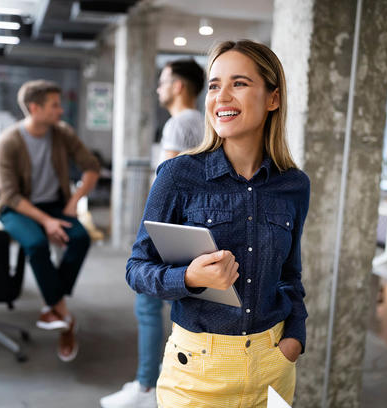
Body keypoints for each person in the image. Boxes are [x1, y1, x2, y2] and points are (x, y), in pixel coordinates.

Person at [125, 40, 310, 407]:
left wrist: (295, 338)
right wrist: (190, 278)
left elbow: (290, 274)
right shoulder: (178, 175)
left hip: (272, 365)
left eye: (239, 83)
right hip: (197, 371)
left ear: (273, 98)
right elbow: (136, 269)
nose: (221, 96)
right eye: (214, 85)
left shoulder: (293, 185)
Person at [100, 59, 205, 408]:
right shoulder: (203, 124)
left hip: (172, 229)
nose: (158, 88)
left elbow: (166, 185)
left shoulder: (178, 125)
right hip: (195, 226)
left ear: (179, 86)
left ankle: (147, 385)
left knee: (147, 303)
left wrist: (151, 231)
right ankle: (163, 379)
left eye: (163, 81)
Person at [0, 79, 100, 362]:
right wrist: (46, 222)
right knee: (37, 243)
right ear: (34, 108)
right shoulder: (8, 142)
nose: (61, 110)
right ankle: (63, 314)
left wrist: (73, 201)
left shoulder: (62, 133)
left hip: (56, 204)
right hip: (16, 208)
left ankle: (52, 304)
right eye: (54, 105)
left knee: (80, 238)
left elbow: (91, 167)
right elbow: (11, 195)